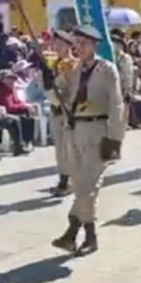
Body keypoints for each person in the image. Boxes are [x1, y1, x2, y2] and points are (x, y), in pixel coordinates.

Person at [50, 26, 124, 256]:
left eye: (83, 43)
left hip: (97, 129)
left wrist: (115, 139)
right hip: (75, 130)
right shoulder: (74, 69)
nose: (78, 47)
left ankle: (88, 236)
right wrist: (48, 81)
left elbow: (117, 104)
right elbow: (58, 96)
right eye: (77, 43)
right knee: (80, 185)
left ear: (94, 45)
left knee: (88, 186)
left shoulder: (107, 70)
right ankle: (72, 233)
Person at [45, 30, 77, 196]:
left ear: (68, 45)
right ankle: (64, 180)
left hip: (68, 111)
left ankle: (70, 182)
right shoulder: (55, 63)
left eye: (59, 44)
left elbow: (73, 89)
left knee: (69, 149)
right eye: (54, 43)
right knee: (60, 150)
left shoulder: (72, 64)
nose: (55, 46)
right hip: (56, 110)